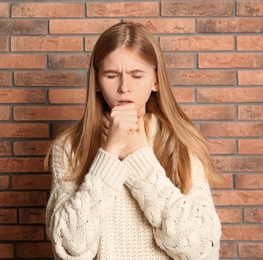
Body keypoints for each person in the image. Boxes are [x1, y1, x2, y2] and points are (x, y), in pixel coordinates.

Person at [45, 22, 222, 259]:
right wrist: (109, 153)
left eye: (136, 75)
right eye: (111, 75)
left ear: (156, 81)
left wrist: (138, 155)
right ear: (97, 81)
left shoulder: (182, 142)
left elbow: (202, 248)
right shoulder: (69, 147)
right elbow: (68, 246)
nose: (124, 88)